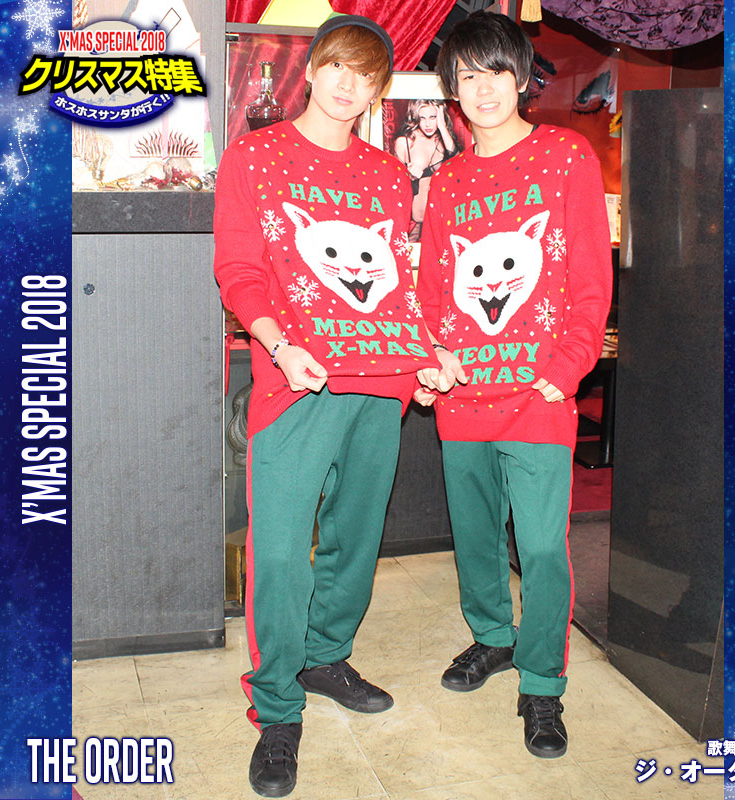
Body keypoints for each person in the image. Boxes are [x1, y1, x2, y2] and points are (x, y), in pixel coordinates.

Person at [213, 14, 436, 797]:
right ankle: (278, 708)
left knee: (355, 540)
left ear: (379, 89)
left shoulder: (386, 174)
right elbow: (239, 270)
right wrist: (279, 346)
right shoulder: (255, 156)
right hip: (296, 382)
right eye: (337, 66)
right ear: (312, 69)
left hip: (380, 385)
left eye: (366, 74)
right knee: (279, 553)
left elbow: (397, 283)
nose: (348, 84)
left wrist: (421, 360)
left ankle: (324, 658)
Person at [416, 9, 612, 759]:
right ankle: (493, 638)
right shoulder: (448, 181)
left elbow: (590, 278)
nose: (484, 89)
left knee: (541, 547)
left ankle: (541, 683)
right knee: (474, 539)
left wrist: (565, 371)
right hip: (463, 394)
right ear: (452, 90)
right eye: (468, 76)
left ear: (523, 77)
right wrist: (431, 358)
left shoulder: (566, 156)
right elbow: (433, 290)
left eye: (497, 71)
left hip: (538, 394)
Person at [392, 99, 461, 241]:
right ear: (415, 118)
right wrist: (410, 177)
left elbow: (458, 162)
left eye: (433, 117)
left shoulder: (443, 141)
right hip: (414, 223)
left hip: (441, 221)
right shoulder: (405, 142)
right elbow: (393, 185)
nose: (428, 124)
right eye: (422, 118)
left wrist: (442, 127)